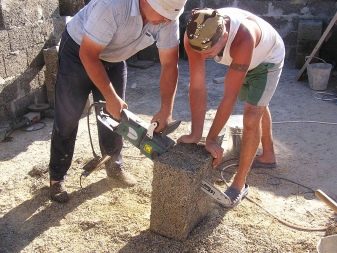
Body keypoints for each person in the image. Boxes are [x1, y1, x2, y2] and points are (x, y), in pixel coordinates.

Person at [49, 0, 187, 203]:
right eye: (163, 15)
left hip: (113, 56)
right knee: (68, 117)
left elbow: (169, 65)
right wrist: (110, 96)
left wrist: (166, 110)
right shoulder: (112, 5)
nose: (166, 21)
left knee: (116, 117)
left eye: (170, 18)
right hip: (79, 52)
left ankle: (114, 165)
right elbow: (88, 55)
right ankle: (57, 177)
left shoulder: (168, 17)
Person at [179, 7, 285, 207]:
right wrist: (196, 133)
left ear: (225, 35)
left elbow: (229, 97)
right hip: (242, 59)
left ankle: (239, 184)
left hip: (267, 60)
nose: (204, 56)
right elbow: (197, 86)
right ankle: (268, 155)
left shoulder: (243, 37)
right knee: (258, 103)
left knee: (252, 115)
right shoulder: (194, 35)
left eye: (209, 51)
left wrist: (211, 139)